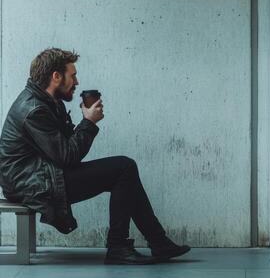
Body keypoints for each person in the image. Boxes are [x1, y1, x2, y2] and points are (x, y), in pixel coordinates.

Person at [0, 48, 190, 264]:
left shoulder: (47, 101)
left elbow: (64, 151)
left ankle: (157, 242)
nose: (77, 81)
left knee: (124, 170)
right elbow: (67, 156)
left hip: (40, 175)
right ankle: (124, 246)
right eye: (73, 75)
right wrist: (88, 123)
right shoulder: (34, 109)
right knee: (124, 168)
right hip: (28, 183)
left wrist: (82, 122)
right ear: (56, 76)